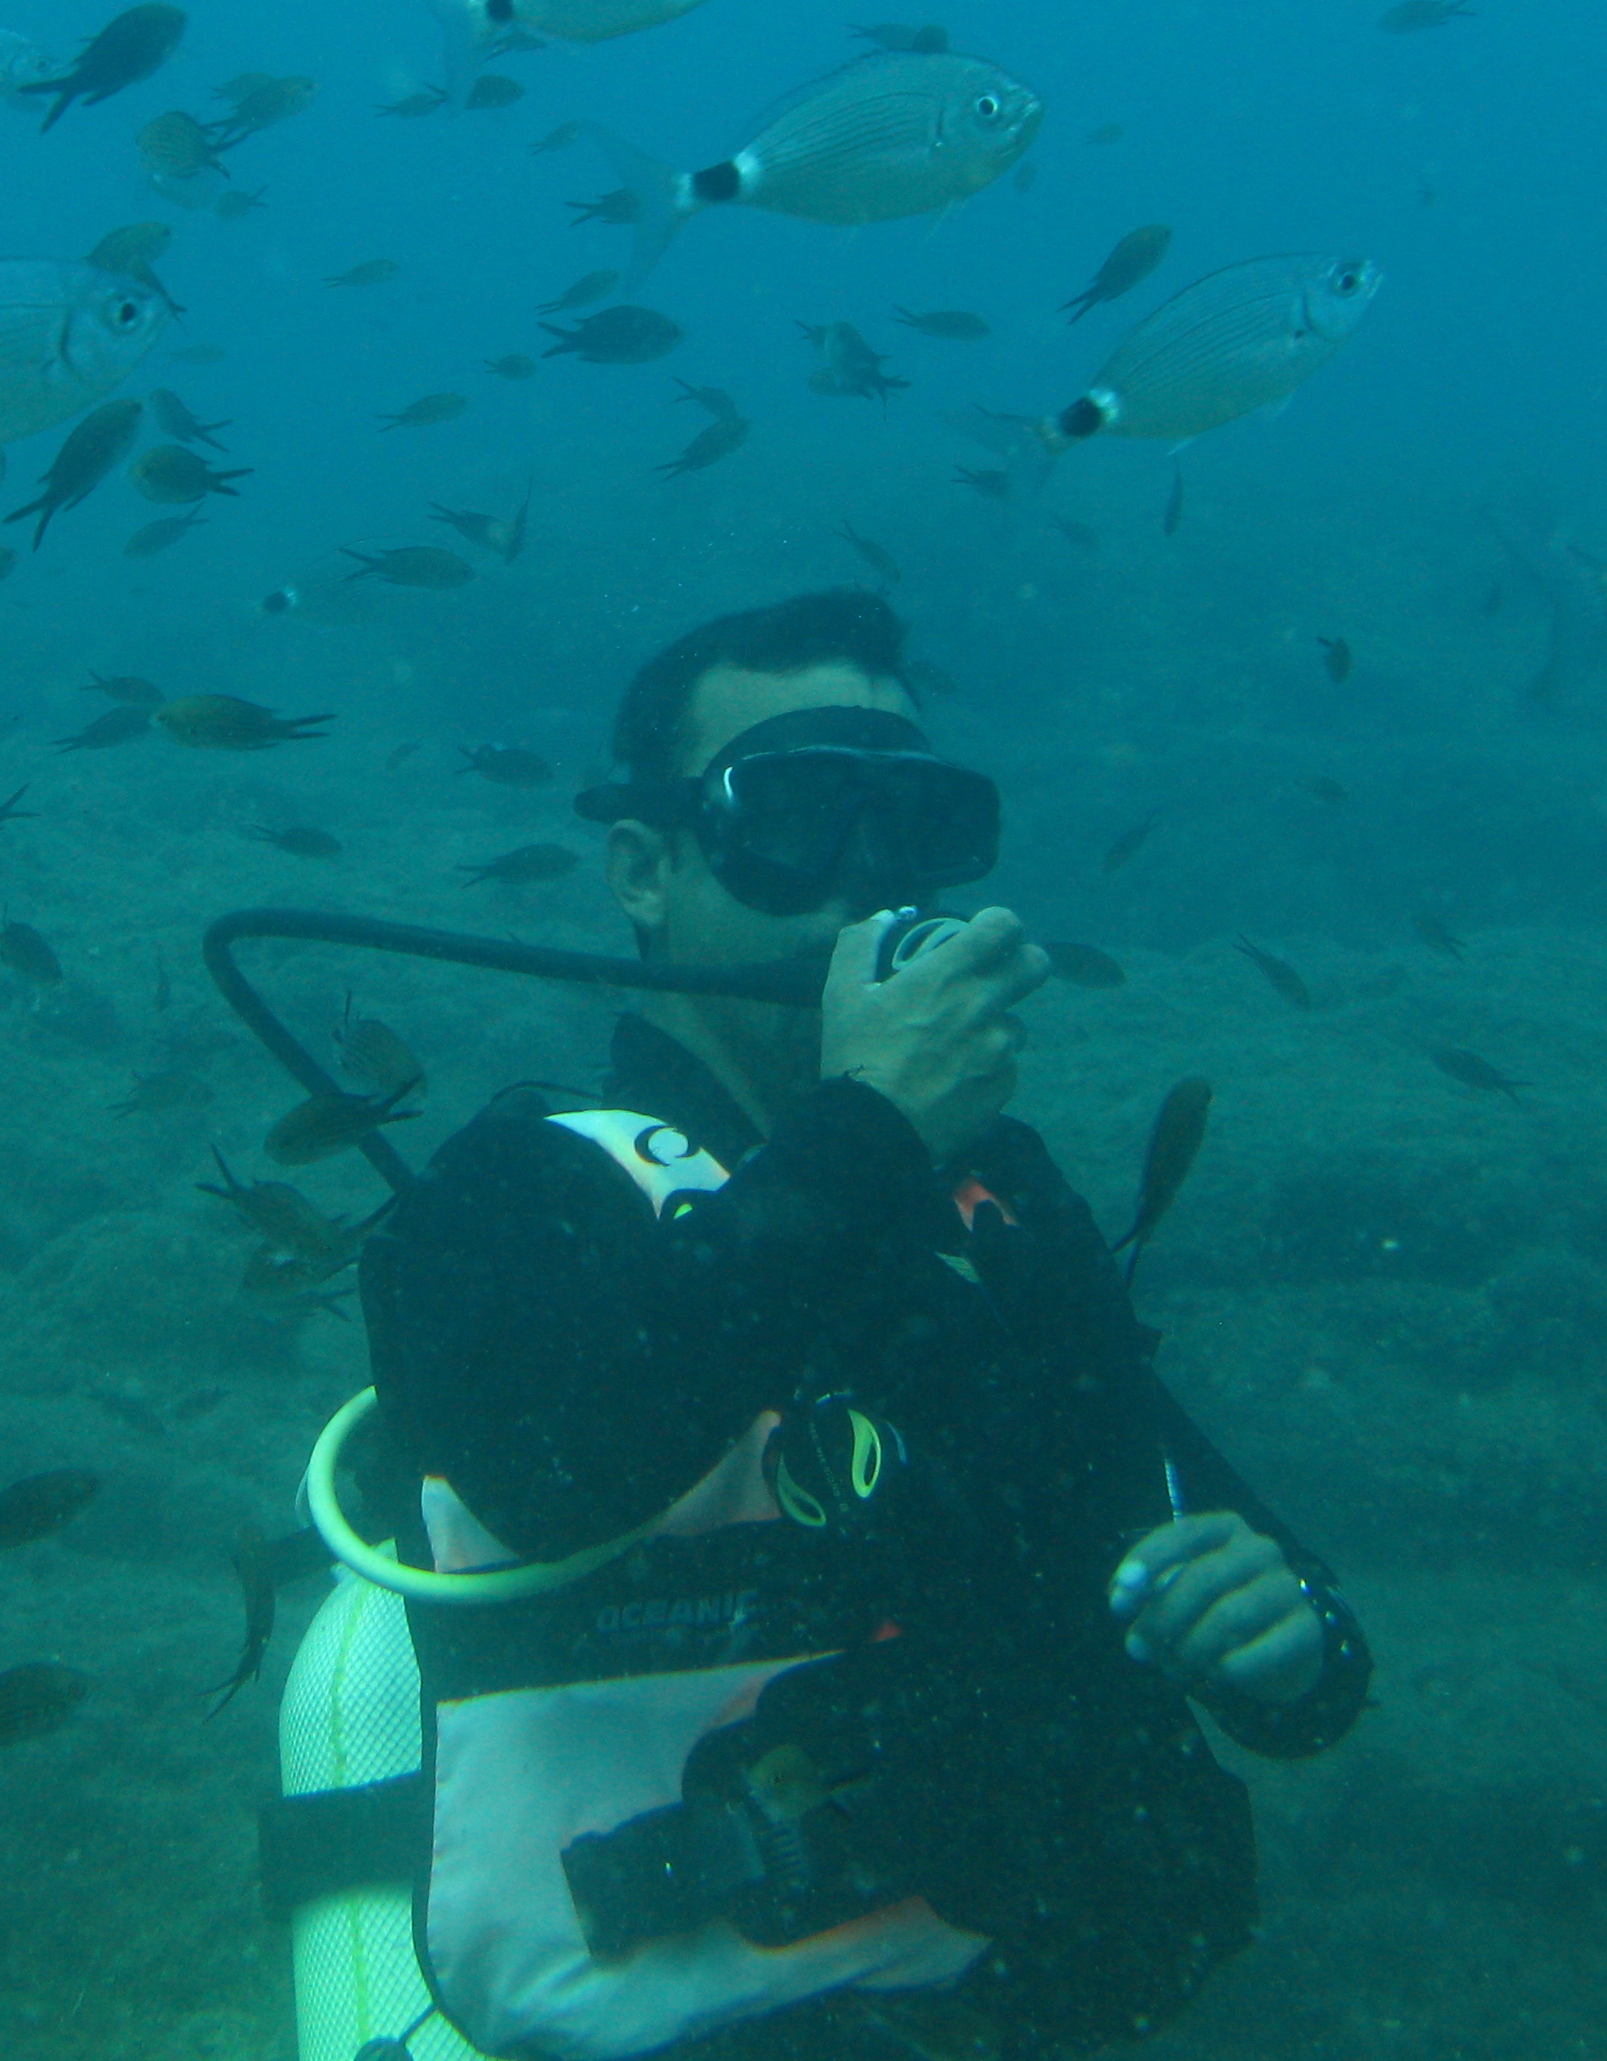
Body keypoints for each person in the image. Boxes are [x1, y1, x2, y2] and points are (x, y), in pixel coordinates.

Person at [351, 589, 1370, 2061]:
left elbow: (1254, 1585)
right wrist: (867, 1129)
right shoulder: (528, 1187)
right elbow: (548, 1464)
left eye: (915, 826)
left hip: (1053, 2005)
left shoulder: (984, 1205)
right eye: (799, 814)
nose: (866, 883)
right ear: (643, 865)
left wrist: (1289, 1644)